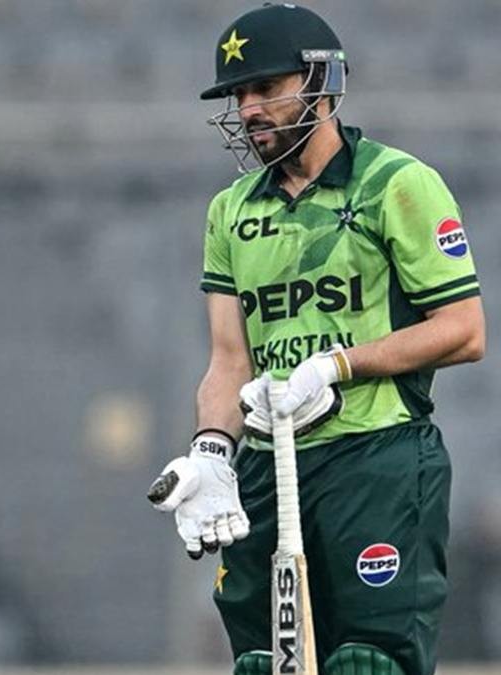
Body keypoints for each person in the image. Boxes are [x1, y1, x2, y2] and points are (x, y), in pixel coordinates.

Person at [145, 5, 485, 675]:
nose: (248, 110)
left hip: (376, 457)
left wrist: (336, 366)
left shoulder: (396, 183)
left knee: (367, 664)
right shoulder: (230, 210)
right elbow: (229, 359)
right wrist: (211, 451)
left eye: (266, 88)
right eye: (239, 95)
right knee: (260, 663)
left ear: (322, 84)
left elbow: (464, 330)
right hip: (268, 463)